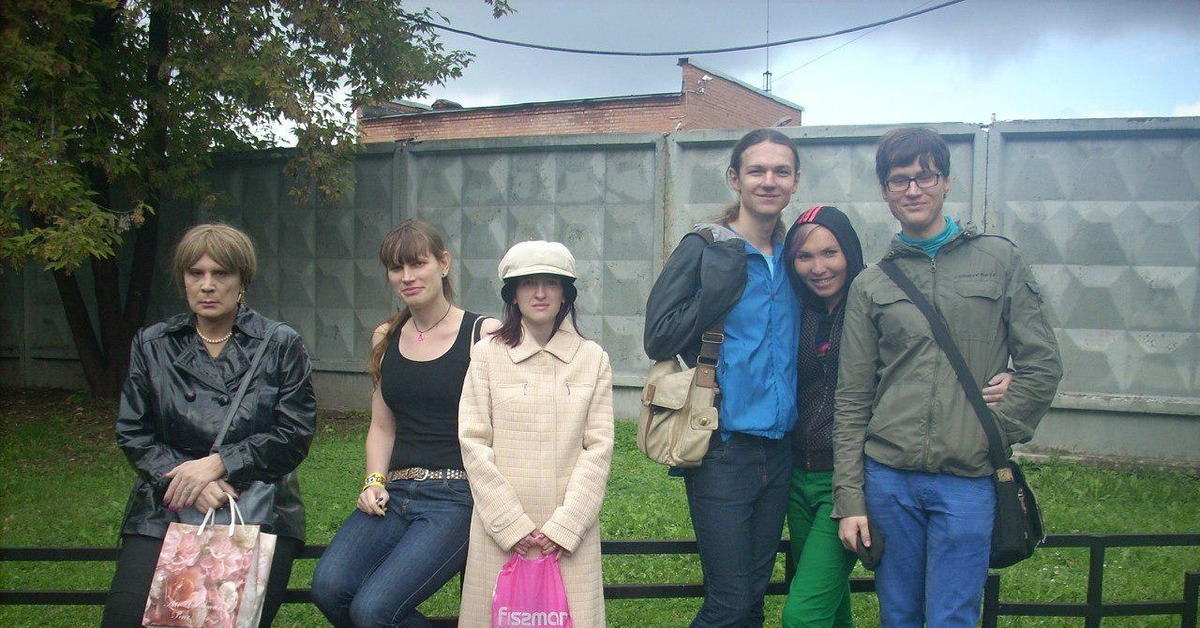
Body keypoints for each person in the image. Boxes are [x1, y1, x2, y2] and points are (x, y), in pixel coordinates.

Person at [833, 127, 1062, 627]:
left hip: (968, 480)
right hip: (889, 479)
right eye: (899, 180)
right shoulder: (871, 284)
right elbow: (852, 398)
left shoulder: (999, 259)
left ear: (947, 182)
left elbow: (1042, 364)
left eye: (926, 176)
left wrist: (995, 432)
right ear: (885, 191)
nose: (913, 190)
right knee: (898, 615)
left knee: (952, 616)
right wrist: (850, 498)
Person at [780, 206, 1012, 627]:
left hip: (848, 474)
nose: (818, 267)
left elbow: (929, 355)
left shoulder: (873, 299)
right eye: (804, 256)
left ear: (850, 252)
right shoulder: (796, 310)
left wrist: (1009, 376)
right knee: (832, 606)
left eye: (830, 253)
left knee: (804, 614)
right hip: (799, 473)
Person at [103, 223, 316, 627]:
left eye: (220, 273)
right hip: (166, 504)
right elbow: (134, 432)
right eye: (196, 273)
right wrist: (190, 481)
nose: (207, 285)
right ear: (183, 280)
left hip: (257, 504)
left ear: (242, 281)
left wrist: (219, 464)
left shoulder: (279, 343)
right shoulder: (153, 344)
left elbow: (294, 434)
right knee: (124, 617)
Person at [644, 128, 802, 627]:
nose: (769, 181)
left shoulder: (797, 255)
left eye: (781, 171)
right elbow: (659, 335)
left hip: (780, 451)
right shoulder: (706, 246)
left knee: (752, 599)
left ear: (795, 181)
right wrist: (718, 289)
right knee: (730, 601)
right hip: (722, 448)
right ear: (735, 178)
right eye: (757, 170)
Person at [312, 220, 500, 627]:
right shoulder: (386, 335)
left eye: (418, 263)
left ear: (443, 264)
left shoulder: (483, 333)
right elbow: (382, 426)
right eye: (396, 268)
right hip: (394, 494)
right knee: (328, 588)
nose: (407, 276)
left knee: (374, 610)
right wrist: (373, 481)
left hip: (457, 497)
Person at [457, 240, 614, 628]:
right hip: (501, 532)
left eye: (551, 283)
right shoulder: (487, 354)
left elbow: (599, 448)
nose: (540, 293)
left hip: (567, 539)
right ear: (513, 294)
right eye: (528, 283)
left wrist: (566, 526)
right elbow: (473, 440)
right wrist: (510, 524)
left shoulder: (592, 359)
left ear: (566, 294)